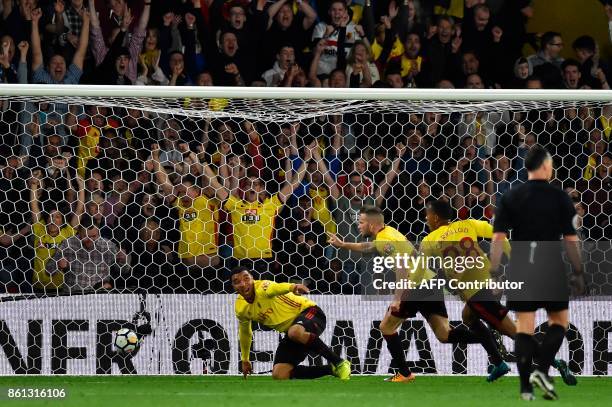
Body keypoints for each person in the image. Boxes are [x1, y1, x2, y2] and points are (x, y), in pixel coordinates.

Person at [328, 206, 499, 382]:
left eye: (361, 222)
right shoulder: (389, 233)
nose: (359, 226)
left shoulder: (384, 239)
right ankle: (489, 338)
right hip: (430, 283)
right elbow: (369, 246)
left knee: (386, 327)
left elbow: (402, 268)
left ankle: (404, 373)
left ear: (372, 224)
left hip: (415, 286)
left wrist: (397, 298)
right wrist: (344, 245)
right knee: (444, 335)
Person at [490, 145, 585, 401]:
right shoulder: (559, 197)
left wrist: (495, 270)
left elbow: (498, 237)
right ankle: (542, 369)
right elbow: (570, 238)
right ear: (545, 165)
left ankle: (525, 388)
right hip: (550, 262)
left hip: (521, 264)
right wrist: (578, 271)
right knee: (559, 322)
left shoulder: (510, 196)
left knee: (524, 328)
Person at [231, 266, 351, 380]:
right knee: (279, 374)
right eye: (237, 281)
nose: (243, 284)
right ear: (233, 286)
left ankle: (339, 363)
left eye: (246, 278)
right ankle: (331, 370)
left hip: (311, 312)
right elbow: (245, 332)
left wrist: (293, 287)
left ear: (253, 278)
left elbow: (277, 287)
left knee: (295, 332)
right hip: (292, 332)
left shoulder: (263, 287)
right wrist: (245, 359)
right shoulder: (241, 308)